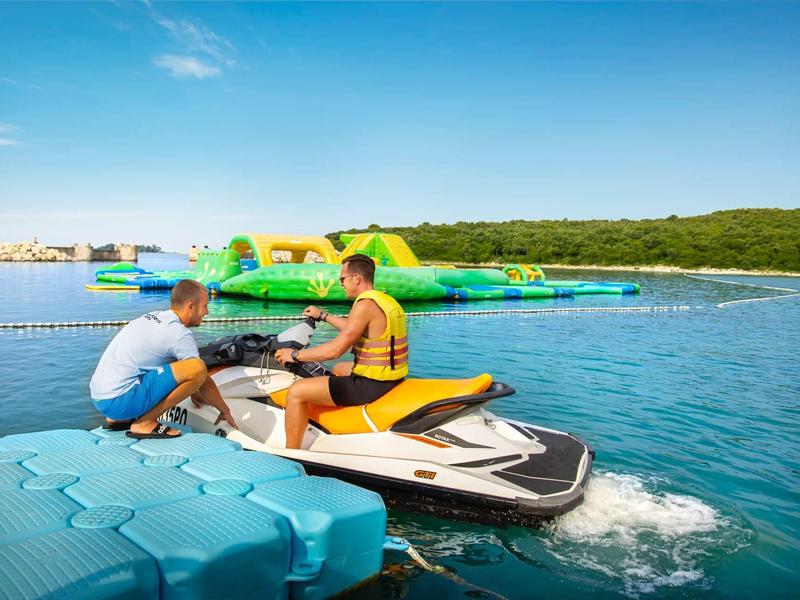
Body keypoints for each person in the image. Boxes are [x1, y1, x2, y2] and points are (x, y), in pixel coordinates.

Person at [275, 253, 408, 449]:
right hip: (391, 379)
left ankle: (292, 452)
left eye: (342, 279)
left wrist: (294, 355)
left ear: (356, 278)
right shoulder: (385, 301)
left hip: (370, 385)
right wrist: (322, 315)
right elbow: (354, 327)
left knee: (296, 392)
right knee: (339, 368)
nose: (341, 284)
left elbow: (335, 350)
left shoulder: (364, 305)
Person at [89, 279, 237, 439]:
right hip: (120, 401)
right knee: (197, 367)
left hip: (100, 398)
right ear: (191, 306)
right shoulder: (179, 333)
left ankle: (118, 419)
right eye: (205, 306)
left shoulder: (154, 317)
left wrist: (192, 390)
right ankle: (144, 423)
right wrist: (225, 410)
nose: (207, 312)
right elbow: (201, 376)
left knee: (177, 363)